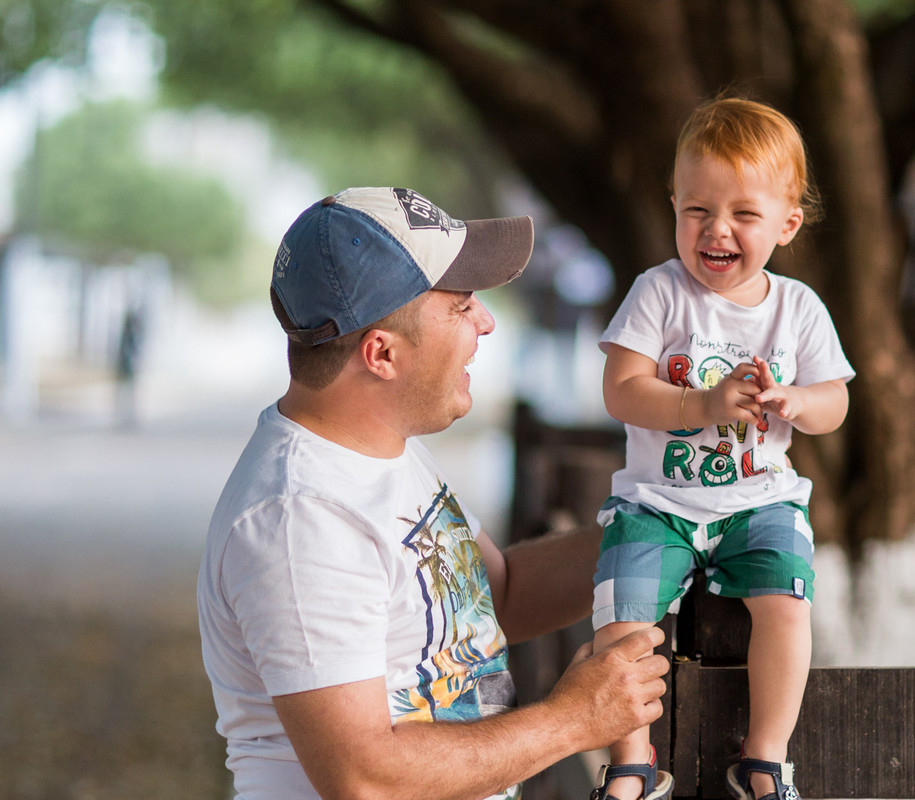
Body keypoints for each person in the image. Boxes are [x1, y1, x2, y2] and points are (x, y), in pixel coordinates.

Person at [197, 187, 669, 800]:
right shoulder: (299, 519)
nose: (486, 321)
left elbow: (496, 597)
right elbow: (364, 778)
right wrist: (573, 720)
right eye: (461, 305)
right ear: (382, 354)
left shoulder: (380, 450)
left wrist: (655, 532)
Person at [589, 98, 855, 800]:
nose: (717, 229)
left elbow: (837, 400)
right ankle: (631, 763)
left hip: (760, 500)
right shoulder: (659, 292)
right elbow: (621, 389)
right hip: (657, 503)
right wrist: (701, 405)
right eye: (697, 210)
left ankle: (765, 756)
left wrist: (799, 401)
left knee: (787, 604)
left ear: (787, 224)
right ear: (674, 205)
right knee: (625, 618)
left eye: (744, 213)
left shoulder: (797, 309)